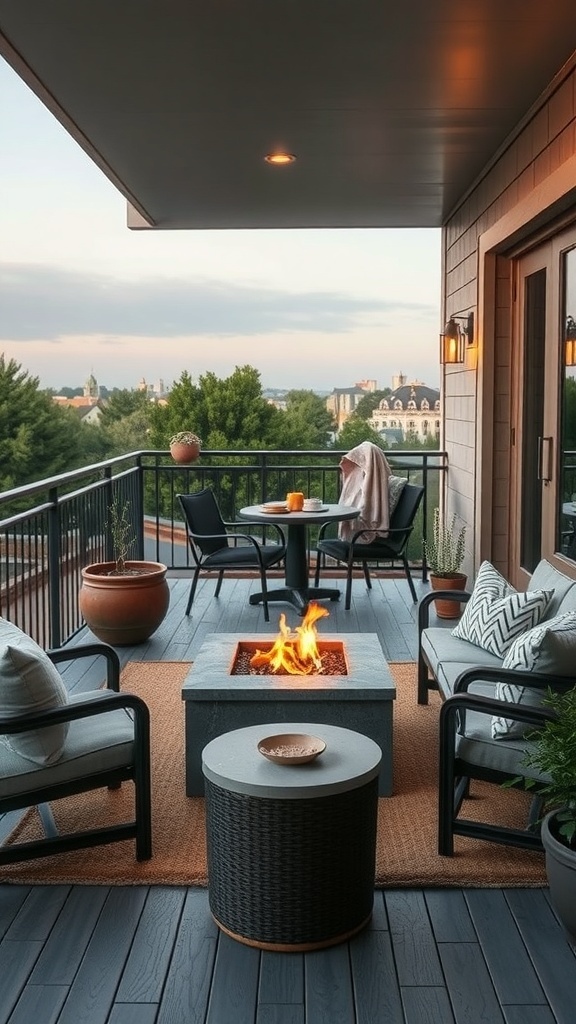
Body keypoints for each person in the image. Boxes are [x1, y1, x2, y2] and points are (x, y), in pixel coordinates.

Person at [338, 441, 391, 541]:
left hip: (361, 538)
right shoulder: (359, 482)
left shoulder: (372, 487)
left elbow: (364, 510)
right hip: (355, 534)